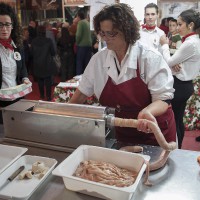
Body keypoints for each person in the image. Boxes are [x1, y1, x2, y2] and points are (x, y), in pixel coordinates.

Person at [69, 3, 176, 146]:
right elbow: (81, 93)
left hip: (154, 134)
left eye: (111, 33)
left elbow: (163, 99)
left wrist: (147, 111)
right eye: (102, 33)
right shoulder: (98, 60)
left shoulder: (149, 58)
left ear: (127, 31)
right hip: (121, 134)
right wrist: (66, 114)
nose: (105, 38)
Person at [160, 9, 200, 148]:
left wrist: (164, 44)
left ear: (190, 25)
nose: (177, 28)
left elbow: (168, 62)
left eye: (180, 24)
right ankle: (178, 148)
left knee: (174, 120)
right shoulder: (193, 40)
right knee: (177, 119)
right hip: (184, 84)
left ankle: (175, 149)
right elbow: (176, 61)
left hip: (180, 85)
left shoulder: (190, 43)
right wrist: (175, 62)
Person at [0, 2, 31, 123]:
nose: (4, 29)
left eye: (7, 24)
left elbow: (22, 67)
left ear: (13, 26)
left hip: (17, 98)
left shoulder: (18, 46)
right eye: (0, 25)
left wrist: (25, 78)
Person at [31, 25, 57, 101]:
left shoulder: (33, 41)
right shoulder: (48, 41)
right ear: (44, 32)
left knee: (40, 80)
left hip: (37, 63)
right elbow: (53, 52)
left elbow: (31, 53)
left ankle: (42, 95)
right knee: (48, 81)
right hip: (47, 63)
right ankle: (48, 96)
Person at [75, 9, 92, 75]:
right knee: (87, 64)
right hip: (89, 45)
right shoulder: (88, 22)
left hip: (82, 45)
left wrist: (77, 42)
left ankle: (78, 79)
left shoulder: (80, 23)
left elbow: (78, 35)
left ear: (79, 16)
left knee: (79, 63)